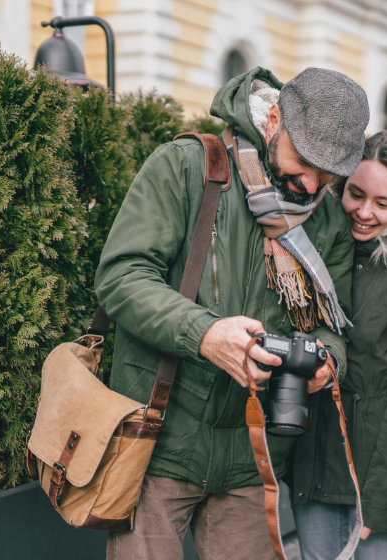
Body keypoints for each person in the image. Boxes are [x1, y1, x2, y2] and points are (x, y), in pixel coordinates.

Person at [95, 67, 369, 560]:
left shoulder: (327, 218)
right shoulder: (187, 167)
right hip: (158, 444)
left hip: (253, 459)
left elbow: (335, 325)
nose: (312, 183)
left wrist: (327, 360)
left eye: (329, 173)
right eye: (304, 160)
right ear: (274, 120)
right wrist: (204, 335)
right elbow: (121, 278)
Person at [288, 130, 387, 560]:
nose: (364, 212)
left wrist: (384, 498)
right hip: (314, 461)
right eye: (355, 194)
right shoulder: (312, 246)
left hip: (377, 475)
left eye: (383, 203)